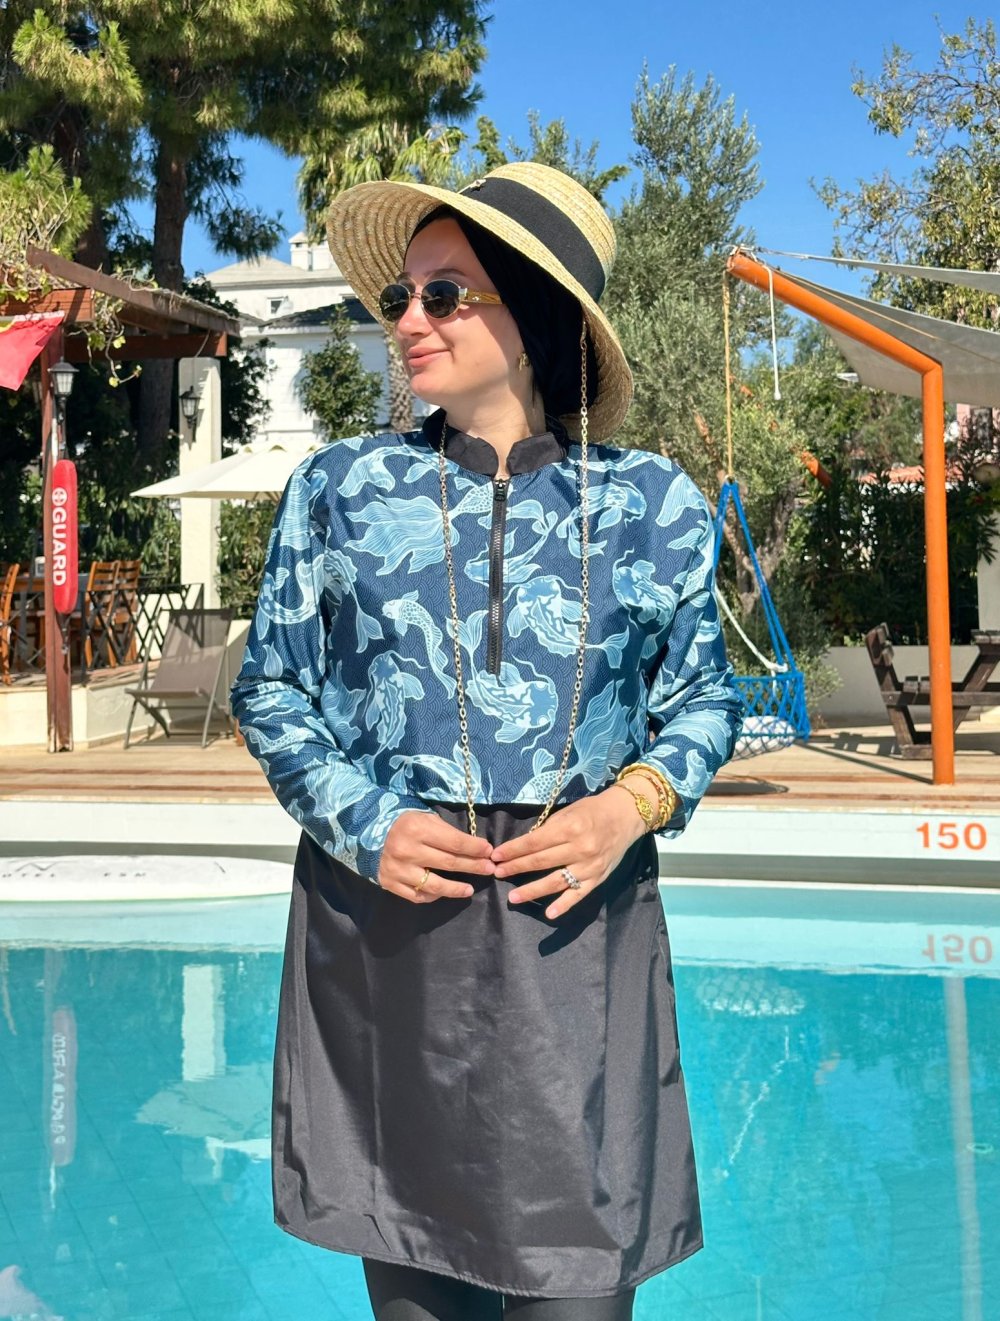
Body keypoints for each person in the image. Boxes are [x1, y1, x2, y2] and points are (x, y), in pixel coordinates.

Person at [231, 161, 743, 1321]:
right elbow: (273, 690)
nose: (408, 321)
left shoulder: (654, 507)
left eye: (443, 294)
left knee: (581, 1290)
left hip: (577, 948)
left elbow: (705, 700)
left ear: (535, 313)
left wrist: (628, 805)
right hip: (391, 943)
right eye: (400, 298)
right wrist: (366, 821)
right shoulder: (341, 489)